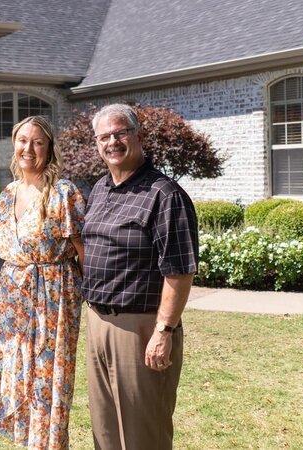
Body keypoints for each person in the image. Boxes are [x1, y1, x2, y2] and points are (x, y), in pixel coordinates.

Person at [82, 103, 199, 450]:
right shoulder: (100, 188)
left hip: (141, 327)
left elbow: (179, 270)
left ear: (138, 136)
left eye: (120, 133)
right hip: (98, 321)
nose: (112, 142)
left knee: (142, 432)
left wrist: (164, 330)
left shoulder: (164, 195)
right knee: (104, 428)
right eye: (104, 136)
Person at [0, 116, 86, 449]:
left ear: (49, 148)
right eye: (23, 140)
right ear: (14, 144)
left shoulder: (64, 192)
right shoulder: (7, 194)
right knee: (17, 380)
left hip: (53, 298)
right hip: (11, 300)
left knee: (49, 382)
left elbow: (84, 252)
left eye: (38, 142)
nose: (29, 148)